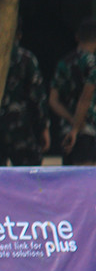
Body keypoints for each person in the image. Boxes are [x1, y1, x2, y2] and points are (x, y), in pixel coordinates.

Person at [0, 20, 50, 166]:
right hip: (21, 128)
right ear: (19, 35)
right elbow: (37, 97)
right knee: (28, 174)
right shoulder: (26, 59)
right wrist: (43, 127)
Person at [49, 17, 96, 165]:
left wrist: (70, 120)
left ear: (77, 37)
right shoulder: (93, 64)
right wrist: (76, 128)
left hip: (66, 132)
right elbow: (85, 99)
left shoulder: (64, 63)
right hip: (87, 130)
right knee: (87, 176)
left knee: (69, 176)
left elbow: (53, 100)